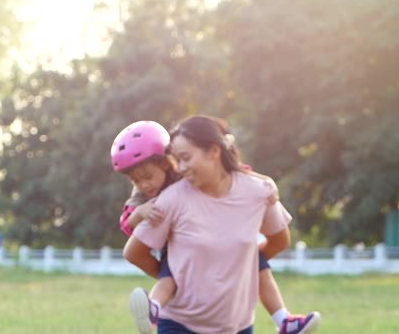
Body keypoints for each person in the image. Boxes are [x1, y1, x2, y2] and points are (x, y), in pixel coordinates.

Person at [113, 117, 320, 333]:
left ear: (213, 151)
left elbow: (243, 176)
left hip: (237, 324)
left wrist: (236, 266)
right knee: (170, 275)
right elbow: (132, 242)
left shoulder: (256, 190)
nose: (181, 168)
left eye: (185, 158)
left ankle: (283, 320)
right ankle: (153, 307)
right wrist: (185, 278)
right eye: (178, 159)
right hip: (179, 314)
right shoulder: (164, 200)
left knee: (255, 260)